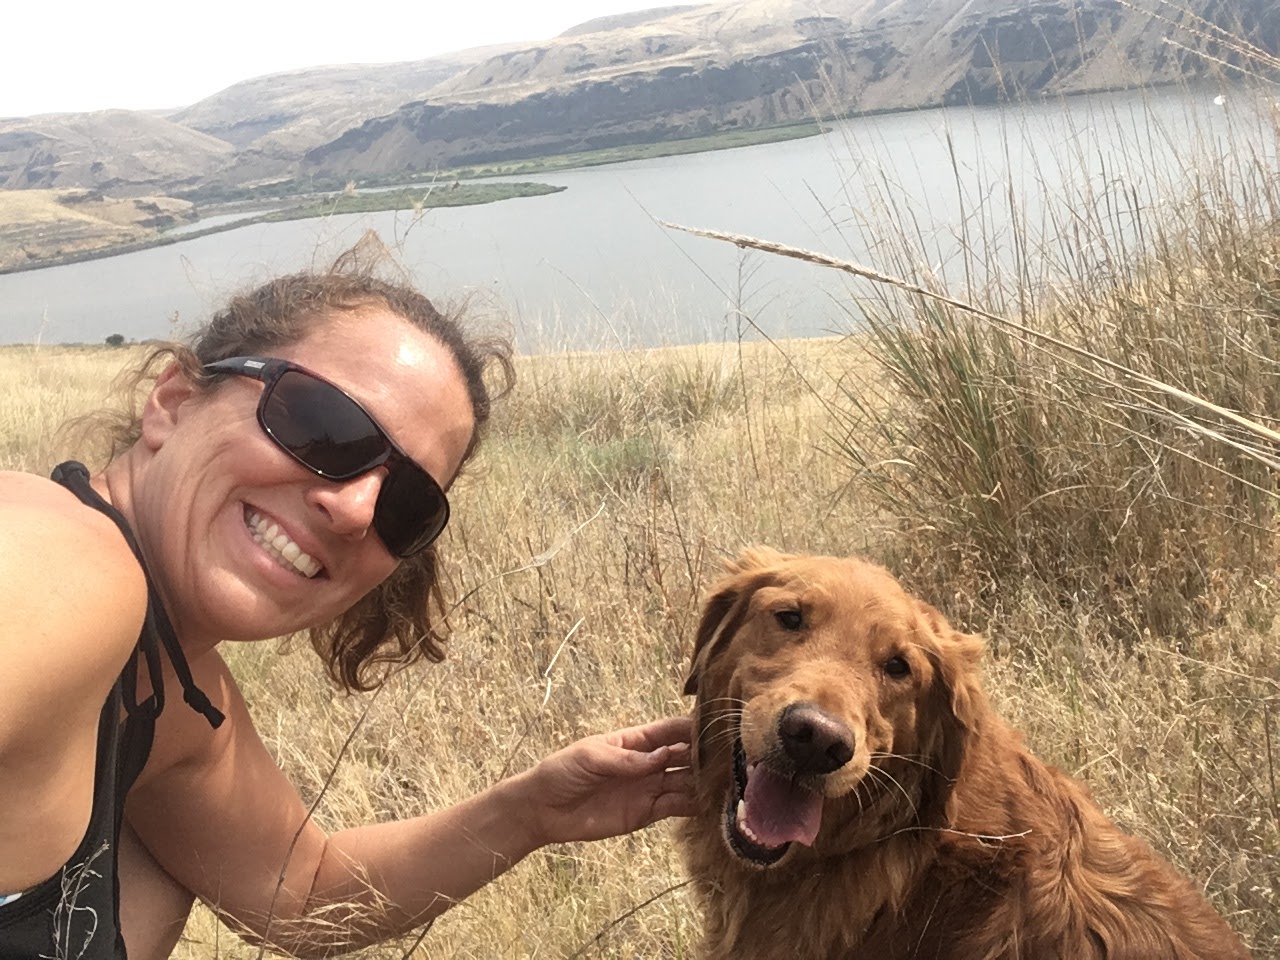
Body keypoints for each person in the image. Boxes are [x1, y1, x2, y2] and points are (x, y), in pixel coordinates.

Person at [0, 245, 695, 958]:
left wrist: (532, 811)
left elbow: (301, 894)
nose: (356, 509)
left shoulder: (177, 694)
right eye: (323, 426)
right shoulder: (70, 566)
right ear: (174, 402)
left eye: (406, 503)